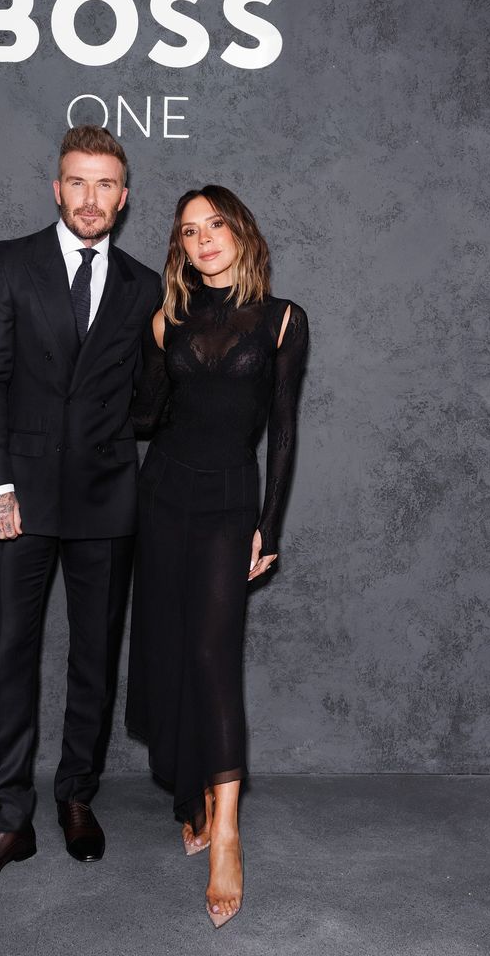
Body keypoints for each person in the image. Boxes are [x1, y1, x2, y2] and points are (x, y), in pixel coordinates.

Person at [0, 126, 159, 893]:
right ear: (56, 188)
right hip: (18, 500)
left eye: (105, 184)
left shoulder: (143, 286)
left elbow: (148, 401)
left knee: (94, 662)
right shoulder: (5, 263)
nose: (90, 198)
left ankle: (75, 797)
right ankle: (8, 821)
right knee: (10, 659)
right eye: (77, 181)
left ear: (123, 198)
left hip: (107, 497)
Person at [126, 185, 308, 927]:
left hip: (231, 501)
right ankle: (196, 791)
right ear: (180, 246)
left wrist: (270, 525)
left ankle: (227, 832)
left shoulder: (283, 318)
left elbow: (284, 430)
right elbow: (144, 415)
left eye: (216, 225)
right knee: (171, 649)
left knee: (212, 652)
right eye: (189, 230)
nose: (203, 239)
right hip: (162, 494)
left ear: (241, 233)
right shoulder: (164, 319)